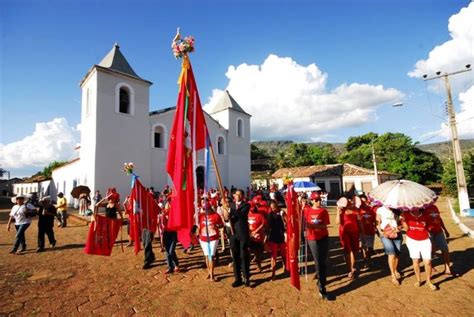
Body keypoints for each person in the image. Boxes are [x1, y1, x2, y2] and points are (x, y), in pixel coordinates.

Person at [401, 208, 437, 291]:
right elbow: (406, 229)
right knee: (416, 261)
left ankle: (428, 281)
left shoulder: (426, 214)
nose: (415, 206)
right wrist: (403, 221)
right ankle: (418, 280)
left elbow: (429, 227)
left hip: (425, 240)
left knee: (428, 262)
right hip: (412, 240)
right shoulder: (406, 214)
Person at [304, 192, 331, 299]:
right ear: (311, 201)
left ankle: (321, 280)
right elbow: (302, 222)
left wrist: (313, 225)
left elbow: (325, 225)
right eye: (316, 200)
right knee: (318, 260)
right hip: (312, 239)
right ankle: (322, 287)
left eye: (319, 199)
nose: (318, 201)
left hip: (323, 237)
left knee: (323, 261)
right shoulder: (307, 211)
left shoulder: (324, 211)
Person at [223, 189, 251, 287]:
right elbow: (226, 218)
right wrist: (226, 212)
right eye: (236, 194)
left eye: (239, 194)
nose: (237, 196)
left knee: (244, 256)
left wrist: (230, 210)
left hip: (242, 233)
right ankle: (237, 279)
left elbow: (241, 215)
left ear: (242, 196)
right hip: (233, 233)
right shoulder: (230, 205)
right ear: (234, 196)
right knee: (235, 256)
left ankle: (246, 277)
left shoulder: (246, 205)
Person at [424, 204, 456, 275]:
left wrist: (445, 230)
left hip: (439, 231)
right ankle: (430, 265)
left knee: (445, 248)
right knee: (430, 250)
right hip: (429, 232)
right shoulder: (421, 208)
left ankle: (447, 268)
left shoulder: (434, 207)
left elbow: (439, 219)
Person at [376, 205, 403, 286]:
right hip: (385, 234)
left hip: (396, 234)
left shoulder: (398, 209)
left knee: (397, 254)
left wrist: (399, 228)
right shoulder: (380, 209)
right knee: (392, 253)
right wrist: (380, 232)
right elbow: (377, 222)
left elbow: (402, 223)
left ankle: (395, 270)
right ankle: (393, 275)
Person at [336, 196, 361, 279]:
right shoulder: (341, 211)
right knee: (348, 251)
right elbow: (337, 222)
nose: (350, 202)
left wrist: (362, 232)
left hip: (355, 232)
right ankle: (350, 270)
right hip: (345, 233)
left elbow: (359, 222)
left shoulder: (356, 210)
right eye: (349, 201)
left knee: (355, 251)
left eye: (351, 201)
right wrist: (337, 212)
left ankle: (352, 266)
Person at [198, 200, 224, 281]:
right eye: (204, 209)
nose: (206, 211)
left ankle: (212, 275)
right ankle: (209, 272)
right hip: (203, 238)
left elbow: (221, 225)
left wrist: (217, 225)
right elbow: (197, 225)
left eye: (207, 209)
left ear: (210, 208)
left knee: (211, 256)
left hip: (213, 238)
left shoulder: (216, 215)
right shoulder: (200, 216)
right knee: (206, 256)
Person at [267, 201, 286, 280]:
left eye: (274, 207)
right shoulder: (269, 215)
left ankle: (285, 267)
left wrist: (283, 215)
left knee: (283, 254)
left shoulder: (282, 213)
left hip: (281, 236)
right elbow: (268, 227)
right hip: (273, 237)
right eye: (271, 208)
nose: (273, 209)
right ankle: (273, 273)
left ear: (277, 206)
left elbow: (287, 221)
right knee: (273, 256)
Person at [359, 194, 377, 268]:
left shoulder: (371, 209)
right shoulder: (358, 210)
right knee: (363, 247)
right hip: (361, 232)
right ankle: (365, 261)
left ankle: (368, 259)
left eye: (364, 201)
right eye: (361, 202)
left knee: (370, 247)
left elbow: (375, 220)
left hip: (370, 231)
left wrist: (376, 227)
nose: (363, 203)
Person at [248, 203, 266, 272]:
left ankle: (259, 266)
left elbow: (263, 224)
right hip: (249, 235)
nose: (251, 210)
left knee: (257, 252)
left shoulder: (259, 215)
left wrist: (256, 231)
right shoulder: (246, 215)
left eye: (252, 209)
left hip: (257, 236)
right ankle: (248, 266)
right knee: (248, 251)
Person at [162, 202, 180, 274]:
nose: (168, 204)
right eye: (167, 203)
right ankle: (170, 267)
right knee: (167, 251)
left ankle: (176, 264)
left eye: (170, 203)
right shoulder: (163, 214)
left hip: (173, 233)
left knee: (171, 250)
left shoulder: (175, 213)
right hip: (166, 233)